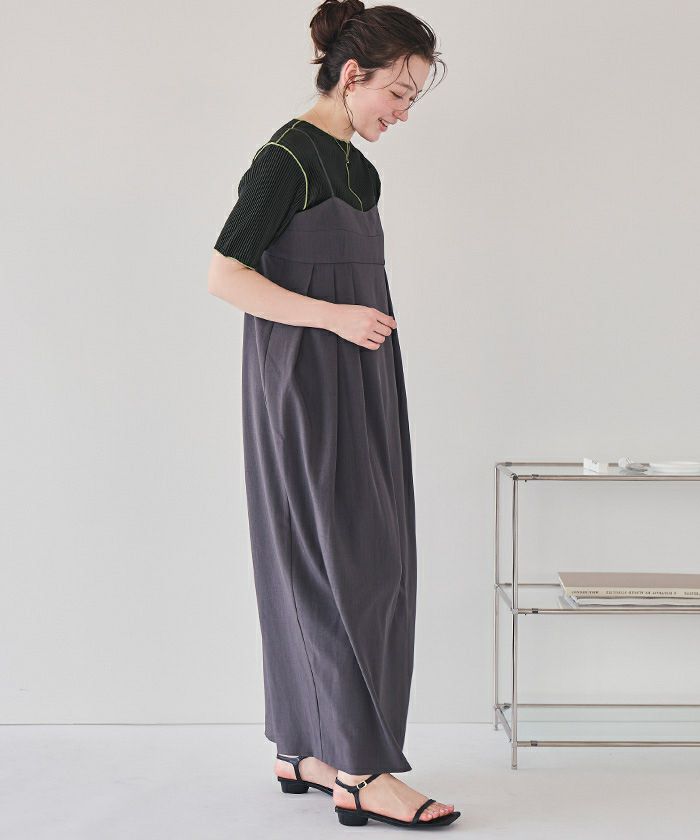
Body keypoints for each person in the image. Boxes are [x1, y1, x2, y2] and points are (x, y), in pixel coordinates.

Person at [208, 0, 459, 829]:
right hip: (307, 381)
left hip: (364, 377)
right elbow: (225, 274)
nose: (403, 113)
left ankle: (305, 749)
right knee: (339, 563)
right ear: (352, 75)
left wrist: (355, 329)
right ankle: (361, 769)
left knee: (363, 559)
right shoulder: (286, 158)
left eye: (413, 98)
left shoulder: (359, 169)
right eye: (399, 93)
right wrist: (333, 319)